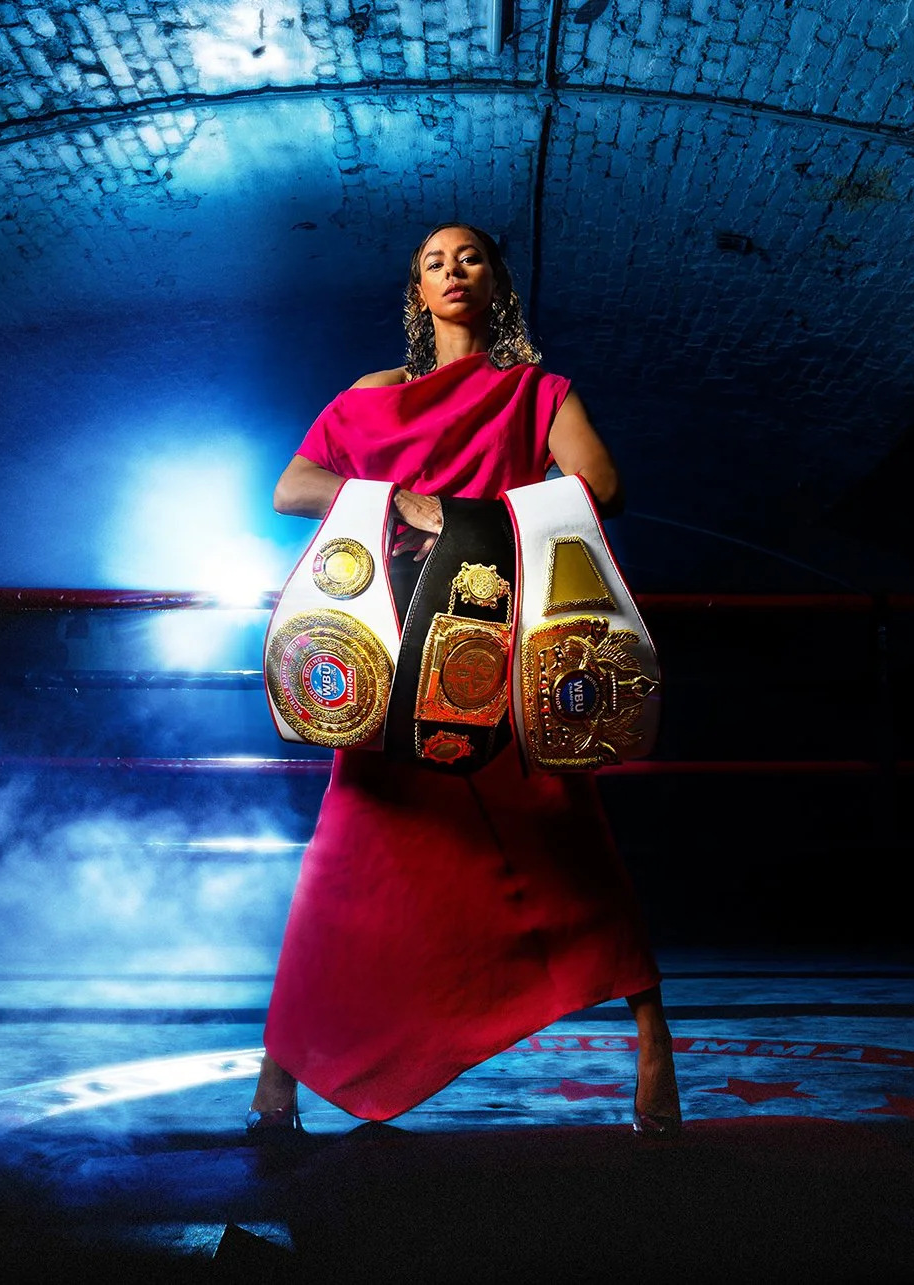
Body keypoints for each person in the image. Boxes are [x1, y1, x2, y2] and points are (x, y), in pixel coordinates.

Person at [249, 223, 680, 1137]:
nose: (453, 271)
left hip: (494, 635)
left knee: (566, 833)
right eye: (434, 263)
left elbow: (598, 482)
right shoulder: (373, 394)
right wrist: (397, 501)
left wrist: (470, 519)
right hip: (396, 640)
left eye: (470, 258)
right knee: (353, 850)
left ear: (496, 285)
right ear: (417, 292)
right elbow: (293, 486)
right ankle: (278, 1074)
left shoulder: (536, 391)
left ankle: (653, 1048)